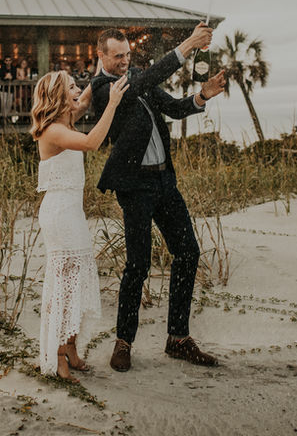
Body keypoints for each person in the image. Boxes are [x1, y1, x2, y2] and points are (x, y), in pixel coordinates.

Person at [90, 23, 227, 372]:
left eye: (128, 55)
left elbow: (177, 108)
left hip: (165, 181)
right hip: (134, 188)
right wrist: (187, 46)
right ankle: (124, 341)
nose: (124, 61)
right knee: (138, 264)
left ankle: (178, 339)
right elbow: (140, 84)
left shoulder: (138, 76)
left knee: (188, 252)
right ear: (101, 55)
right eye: (118, 56)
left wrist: (203, 95)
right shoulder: (102, 89)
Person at [31, 69, 129, 381]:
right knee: (64, 285)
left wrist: (102, 74)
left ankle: (71, 347)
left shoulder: (65, 121)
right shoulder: (52, 131)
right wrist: (112, 104)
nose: (78, 91)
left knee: (76, 284)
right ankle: (58, 357)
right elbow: (91, 142)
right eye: (71, 87)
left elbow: (84, 101)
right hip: (59, 214)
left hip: (71, 212)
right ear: (59, 97)